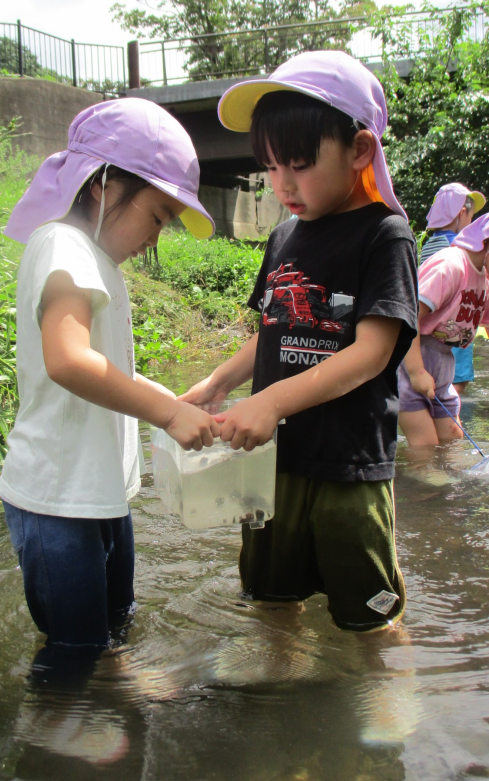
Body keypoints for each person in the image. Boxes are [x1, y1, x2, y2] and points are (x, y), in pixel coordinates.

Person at [181, 51, 418, 632]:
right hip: (271, 464)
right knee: (271, 598)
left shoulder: (385, 235)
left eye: (300, 164)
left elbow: (372, 354)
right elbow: (272, 330)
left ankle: (389, 700)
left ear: (359, 150)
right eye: (270, 166)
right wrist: (219, 383)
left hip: (349, 462)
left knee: (372, 617)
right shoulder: (284, 235)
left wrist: (269, 403)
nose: (281, 184)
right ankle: (278, 698)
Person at [0, 98, 220, 653]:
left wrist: (169, 398)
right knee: (76, 650)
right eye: (156, 218)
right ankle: (61, 721)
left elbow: (108, 368)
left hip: (97, 493)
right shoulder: (63, 245)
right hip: (58, 499)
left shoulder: (97, 261)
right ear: (102, 184)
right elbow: (69, 360)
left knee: (115, 626)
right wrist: (167, 413)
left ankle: (108, 696)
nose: (154, 240)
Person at [398, 213, 489, 447]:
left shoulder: (483, 281)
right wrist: (417, 371)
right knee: (425, 445)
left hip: (444, 361)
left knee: (452, 440)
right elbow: (409, 318)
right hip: (412, 356)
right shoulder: (450, 265)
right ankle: (414, 481)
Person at [421, 183, 486, 395]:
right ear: (462, 212)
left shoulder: (430, 242)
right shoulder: (458, 251)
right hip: (453, 321)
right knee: (458, 381)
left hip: (435, 324)